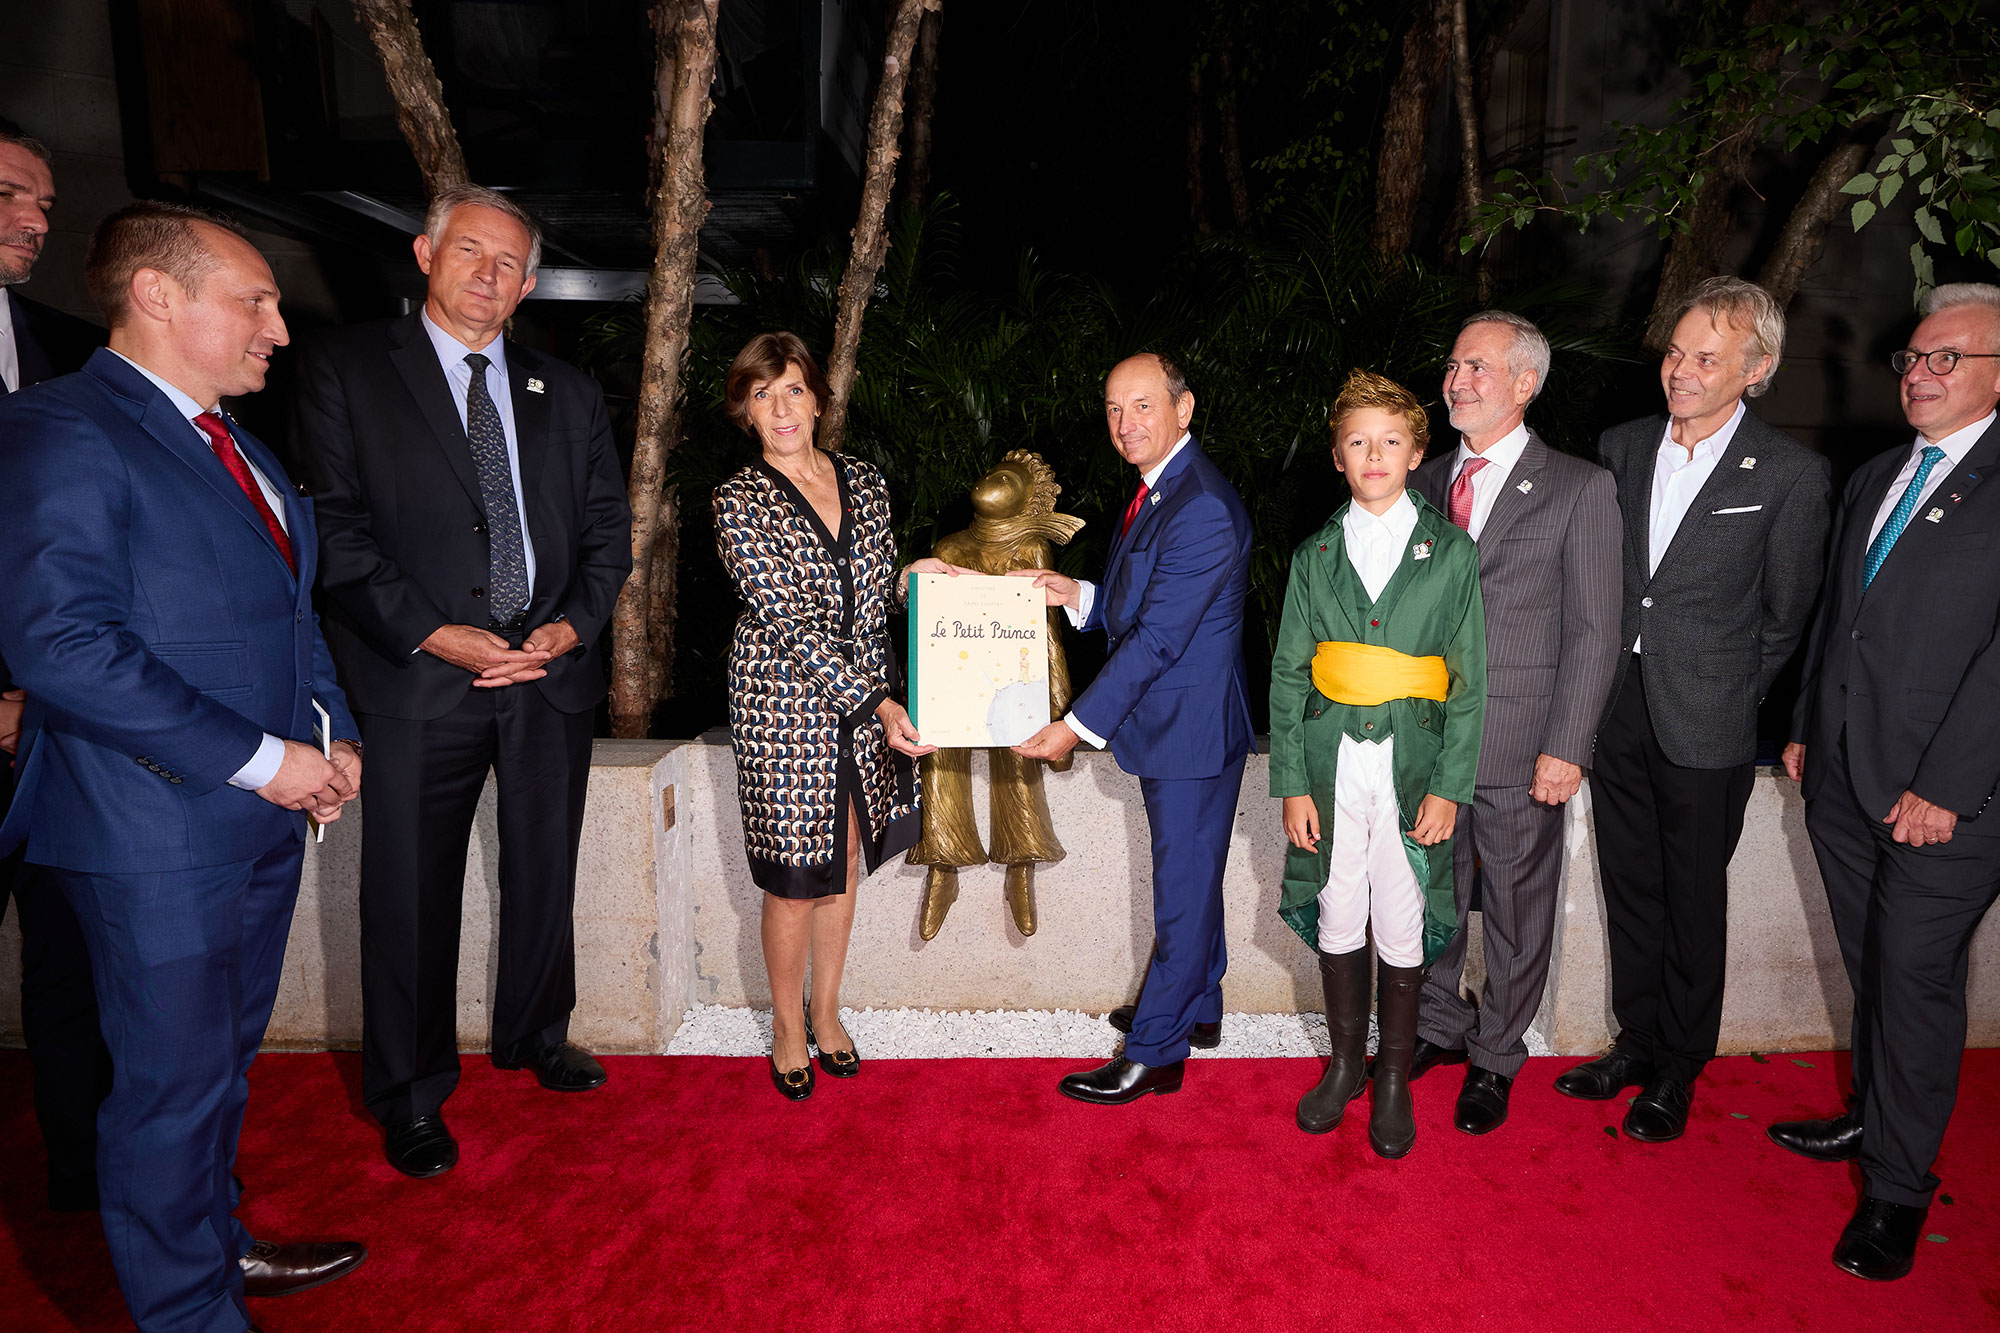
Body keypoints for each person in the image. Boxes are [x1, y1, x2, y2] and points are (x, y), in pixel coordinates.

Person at [0, 201, 365, 1333]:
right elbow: (59, 645)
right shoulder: (60, 427)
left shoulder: (239, 444)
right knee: (164, 1094)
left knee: (216, 1076)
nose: (279, 328)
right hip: (150, 830)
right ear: (159, 297)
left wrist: (331, 727)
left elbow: (288, 613)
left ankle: (216, 1252)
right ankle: (190, 1315)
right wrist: (268, 761)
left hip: (255, 823)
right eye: (252, 300)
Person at [294, 184, 632, 1177]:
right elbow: (337, 535)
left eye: (509, 264)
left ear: (528, 284)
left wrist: (569, 627)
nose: (489, 275)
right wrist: (440, 635)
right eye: (470, 252)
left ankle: (534, 1030)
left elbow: (608, 532)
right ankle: (408, 1092)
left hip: (547, 674)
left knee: (542, 870)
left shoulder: (561, 391)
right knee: (408, 891)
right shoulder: (345, 368)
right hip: (419, 679)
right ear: (424, 253)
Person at [1567, 276, 1829, 1141]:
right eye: (1676, 351)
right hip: (1619, 705)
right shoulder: (1622, 445)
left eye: (1706, 358)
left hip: (1708, 717)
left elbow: (1788, 613)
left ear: (1756, 369)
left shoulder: (1790, 474)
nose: (1680, 370)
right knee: (1630, 883)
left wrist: (1729, 691)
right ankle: (1635, 1042)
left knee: (1692, 895)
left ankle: (1681, 1064)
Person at [1774, 282, 2000, 1281]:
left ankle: (1898, 1191)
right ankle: (1868, 1114)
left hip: (1950, 798)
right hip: (1842, 774)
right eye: (1912, 357)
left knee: (1911, 982)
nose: (1917, 373)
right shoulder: (1875, 475)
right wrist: (1800, 730)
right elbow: (1840, 620)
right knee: (1871, 963)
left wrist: (1946, 786)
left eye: (1945, 358)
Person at [1013, 351, 1255, 1106]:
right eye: (1115, 409)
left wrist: (1075, 726)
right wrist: (1074, 593)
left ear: (1185, 409)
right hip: (1179, 723)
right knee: (1193, 876)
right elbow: (1133, 606)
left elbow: (1157, 640)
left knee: (1180, 889)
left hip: (1191, 731)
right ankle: (1199, 1006)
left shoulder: (1202, 504)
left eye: (1143, 405)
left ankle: (1155, 1050)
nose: (1126, 424)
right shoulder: (1161, 490)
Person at [711, 331, 942, 1100]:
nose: (781, 408)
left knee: (843, 859)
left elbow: (873, 595)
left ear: (817, 398)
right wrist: (878, 702)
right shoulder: (738, 501)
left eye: (794, 390)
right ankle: (785, 1025)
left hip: (863, 697)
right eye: (763, 394)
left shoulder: (866, 482)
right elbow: (789, 623)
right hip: (784, 704)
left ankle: (828, 1009)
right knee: (794, 877)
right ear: (747, 410)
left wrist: (916, 582)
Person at [1405, 312, 1621, 1135]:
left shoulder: (1579, 486)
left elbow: (1596, 629)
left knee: (1521, 907)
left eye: (1478, 367)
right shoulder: (1419, 482)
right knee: (1436, 895)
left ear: (1526, 383)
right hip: (1427, 739)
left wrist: (1567, 746)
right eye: (1454, 364)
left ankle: (1496, 1056)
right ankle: (1438, 1024)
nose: (1457, 379)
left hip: (1523, 742)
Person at [1269, 368, 1486, 1158]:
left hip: (1411, 763)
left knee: (1400, 912)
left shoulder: (1450, 552)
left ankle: (1392, 1075)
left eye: (1391, 441)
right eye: (1357, 441)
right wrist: (1291, 781)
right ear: (1336, 455)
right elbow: (1289, 673)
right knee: (1336, 903)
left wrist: (1450, 789)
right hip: (1332, 766)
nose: (1374, 454)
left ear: (1417, 451)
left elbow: (1470, 684)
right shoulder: (1313, 554)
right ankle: (1342, 1066)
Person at [0, 122, 112, 1214]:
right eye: (10, 196)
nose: (36, 217)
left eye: (40, 199)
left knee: (67, 970)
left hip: (58, 722)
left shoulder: (60, 351)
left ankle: (84, 1181)